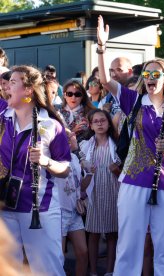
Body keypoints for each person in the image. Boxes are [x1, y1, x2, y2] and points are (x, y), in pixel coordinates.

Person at [97, 15, 164, 276]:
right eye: (147, 74)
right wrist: (102, 48)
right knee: (129, 245)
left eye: (156, 74)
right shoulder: (133, 101)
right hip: (133, 181)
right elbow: (106, 80)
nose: (151, 78)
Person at [0, 65, 71, 275]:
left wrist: (46, 162)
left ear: (28, 90)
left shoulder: (50, 125)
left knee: (47, 269)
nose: (5, 87)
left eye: (12, 82)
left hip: (38, 208)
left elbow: (65, 169)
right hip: (4, 205)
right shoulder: (3, 116)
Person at [80, 109, 121, 276]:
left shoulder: (117, 144)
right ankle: (94, 271)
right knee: (94, 233)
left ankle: (110, 271)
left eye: (102, 120)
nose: (99, 123)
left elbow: (123, 174)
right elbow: (81, 168)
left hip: (113, 191)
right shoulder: (86, 145)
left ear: (108, 123)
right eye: (95, 121)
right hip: (95, 192)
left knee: (112, 233)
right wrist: (86, 166)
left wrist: (116, 170)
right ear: (90, 125)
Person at [57, 129, 88, 276]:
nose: (69, 139)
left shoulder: (75, 159)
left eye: (72, 137)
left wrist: (90, 173)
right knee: (59, 256)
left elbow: (80, 186)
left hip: (75, 211)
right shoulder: (53, 158)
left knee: (83, 253)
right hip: (60, 212)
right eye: (65, 137)